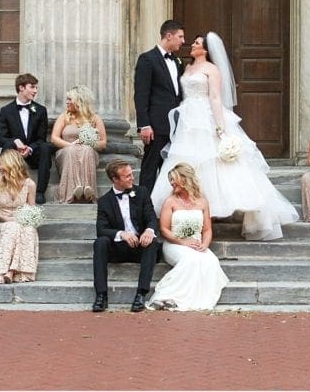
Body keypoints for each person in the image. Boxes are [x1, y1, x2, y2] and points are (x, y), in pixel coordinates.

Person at [150, 32, 298, 241]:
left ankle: (217, 208)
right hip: (187, 119)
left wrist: (220, 129)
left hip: (205, 117)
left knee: (214, 162)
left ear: (206, 50)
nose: (192, 45)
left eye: (197, 43)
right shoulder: (187, 67)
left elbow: (216, 98)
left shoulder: (212, 70)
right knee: (188, 161)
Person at [147, 163, 229, 311]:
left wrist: (205, 244)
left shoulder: (202, 202)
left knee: (210, 261)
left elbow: (207, 229)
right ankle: (165, 296)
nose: (171, 183)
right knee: (191, 260)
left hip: (196, 244)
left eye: (174, 179)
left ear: (185, 179)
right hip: (174, 244)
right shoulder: (170, 202)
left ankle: (182, 299)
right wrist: (183, 242)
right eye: (170, 180)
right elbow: (164, 230)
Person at [92, 160, 161, 313]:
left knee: (153, 242)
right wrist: (121, 234)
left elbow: (151, 217)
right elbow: (101, 229)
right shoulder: (104, 201)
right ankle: (101, 295)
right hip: (118, 248)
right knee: (100, 242)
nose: (132, 178)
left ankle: (141, 294)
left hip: (140, 247)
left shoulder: (141, 192)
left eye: (131, 174)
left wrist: (149, 230)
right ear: (115, 179)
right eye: (127, 176)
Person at [134, 19, 185, 192]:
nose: (183, 41)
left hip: (176, 126)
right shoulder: (147, 59)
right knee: (150, 167)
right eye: (180, 36)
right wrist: (144, 125)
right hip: (156, 125)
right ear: (168, 36)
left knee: (171, 169)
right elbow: (141, 94)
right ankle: (144, 208)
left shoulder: (177, 62)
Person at [0, 150, 39, 284]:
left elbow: (31, 209)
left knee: (29, 230)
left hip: (22, 222)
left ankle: (11, 272)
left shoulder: (30, 184)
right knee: (12, 228)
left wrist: (25, 220)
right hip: (1, 221)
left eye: (1, 164)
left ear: (12, 164)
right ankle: (1, 270)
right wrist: (9, 220)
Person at [0, 73, 53, 204]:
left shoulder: (40, 110)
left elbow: (41, 139)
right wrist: (15, 142)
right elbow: (1, 139)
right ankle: (8, 186)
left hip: (33, 154)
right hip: (14, 154)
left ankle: (39, 192)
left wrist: (30, 148)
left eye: (36, 88)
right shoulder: (6, 110)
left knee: (45, 147)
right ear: (21, 88)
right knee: (7, 145)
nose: (35, 91)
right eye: (32, 87)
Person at [51, 85, 107, 203]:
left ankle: (87, 188)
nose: (67, 102)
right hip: (66, 150)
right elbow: (54, 138)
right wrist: (71, 145)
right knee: (72, 151)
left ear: (79, 101)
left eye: (70, 99)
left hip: (88, 151)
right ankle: (73, 190)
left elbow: (103, 143)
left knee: (86, 149)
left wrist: (89, 142)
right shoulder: (64, 117)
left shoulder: (95, 119)